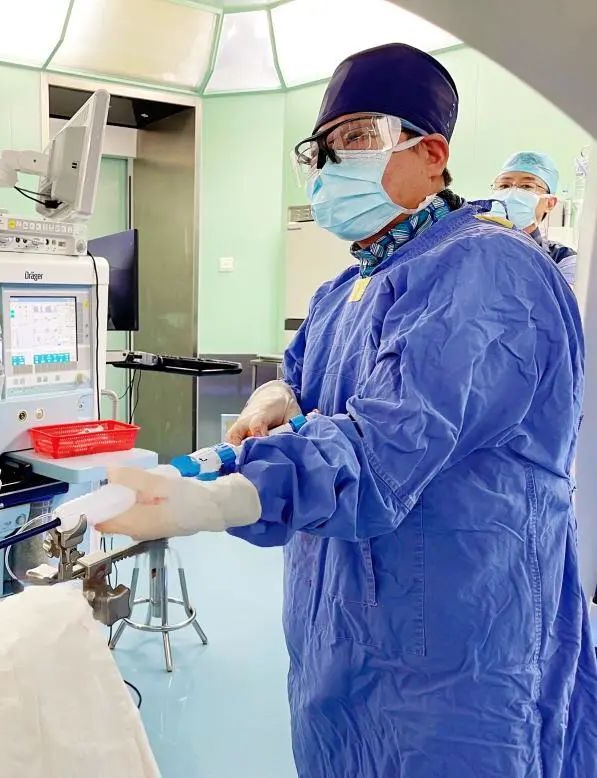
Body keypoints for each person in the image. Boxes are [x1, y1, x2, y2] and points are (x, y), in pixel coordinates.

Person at [98, 43, 597, 777]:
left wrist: (220, 500)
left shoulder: (489, 270)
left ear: (432, 154)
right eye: (322, 148)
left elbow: (385, 444)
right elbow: (308, 399)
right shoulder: (345, 290)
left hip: (456, 644)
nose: (332, 164)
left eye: (358, 137)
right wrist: (279, 396)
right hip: (339, 632)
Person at [492, 150, 577, 284]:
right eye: (504, 186)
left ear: (550, 203)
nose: (512, 193)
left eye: (527, 186)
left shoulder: (563, 259)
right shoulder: (474, 247)